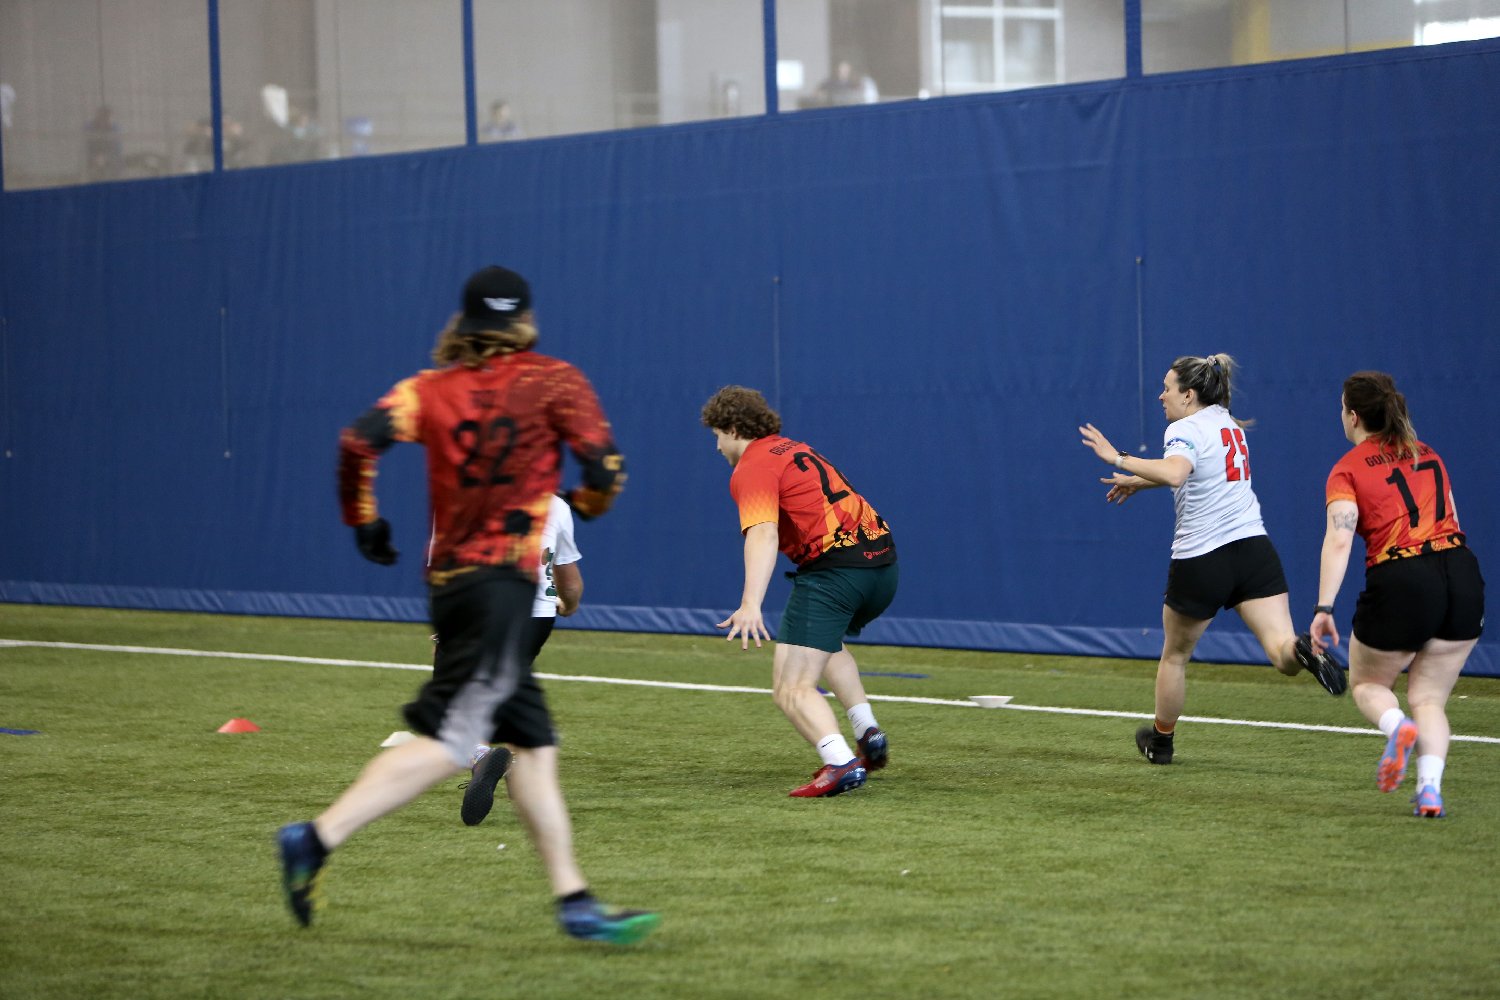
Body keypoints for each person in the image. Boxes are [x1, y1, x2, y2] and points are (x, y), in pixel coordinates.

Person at [277, 265, 657, 944]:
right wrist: (588, 505)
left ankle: (574, 900)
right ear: (524, 320)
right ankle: (315, 837)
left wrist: (364, 521)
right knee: (453, 742)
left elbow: (357, 442)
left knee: (532, 743)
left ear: (465, 322)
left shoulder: (427, 391)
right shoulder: (555, 381)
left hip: (451, 588)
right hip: (504, 587)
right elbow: (605, 469)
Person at [1079, 353, 1346, 766]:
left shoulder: (1182, 428)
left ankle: (1161, 743)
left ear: (1188, 394)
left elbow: (1176, 473)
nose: (1160, 396)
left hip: (1202, 558)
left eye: (1167, 388)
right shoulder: (1226, 421)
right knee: (1282, 652)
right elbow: (1201, 473)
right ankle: (1304, 649)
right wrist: (1138, 481)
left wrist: (1118, 458)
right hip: (1253, 550)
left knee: (1175, 656)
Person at [701, 385, 896, 798]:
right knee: (825, 645)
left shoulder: (752, 466)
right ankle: (868, 732)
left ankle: (839, 762)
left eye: (717, 435)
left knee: (790, 688)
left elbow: (763, 533)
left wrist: (750, 603)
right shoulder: (793, 448)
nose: (716, 446)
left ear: (733, 429)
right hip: (883, 567)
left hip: (836, 573)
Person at [1308, 371, 1484, 819]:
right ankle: (1430, 791)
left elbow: (1340, 540)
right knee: (1429, 698)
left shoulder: (1348, 469)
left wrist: (1324, 607)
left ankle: (1397, 728)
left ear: (1353, 416)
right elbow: (1454, 520)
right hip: (1462, 574)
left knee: (1368, 684)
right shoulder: (1429, 454)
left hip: (1403, 575)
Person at [456, 492, 583, 827]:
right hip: (538, 613)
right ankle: (521, 771)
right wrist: (569, 605)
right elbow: (570, 582)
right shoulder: (556, 505)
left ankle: (481, 756)